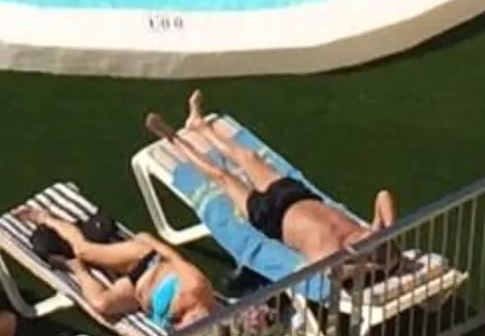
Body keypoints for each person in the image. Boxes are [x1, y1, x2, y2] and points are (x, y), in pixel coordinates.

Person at [143, 94, 392, 267]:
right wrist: (387, 226)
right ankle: (198, 125)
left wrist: (352, 265)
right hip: (295, 194)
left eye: (365, 244)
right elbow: (383, 195)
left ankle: (172, 137)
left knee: (222, 176)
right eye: (369, 238)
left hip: (268, 215)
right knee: (247, 155)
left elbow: (326, 272)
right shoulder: (368, 229)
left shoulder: (332, 254)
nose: (363, 237)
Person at [15, 206, 222, 331]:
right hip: (145, 260)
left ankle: (75, 267)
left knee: (100, 304)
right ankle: (45, 217)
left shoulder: (188, 330)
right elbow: (176, 259)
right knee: (83, 250)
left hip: (135, 289)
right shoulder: (196, 287)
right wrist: (150, 241)